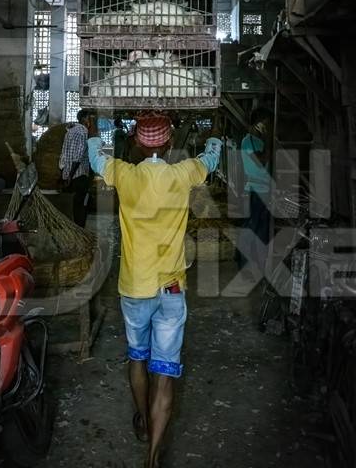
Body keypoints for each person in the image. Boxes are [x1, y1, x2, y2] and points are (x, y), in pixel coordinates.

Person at [87, 113, 221, 468]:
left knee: (137, 357)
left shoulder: (124, 174)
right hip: (172, 288)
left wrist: (89, 134)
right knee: (165, 372)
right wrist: (216, 136)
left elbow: (94, 158)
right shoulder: (183, 173)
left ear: (137, 143)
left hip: (135, 287)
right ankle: (153, 457)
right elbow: (211, 158)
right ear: (167, 143)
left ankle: (143, 421)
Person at [237, 107, 273, 279]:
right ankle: (245, 266)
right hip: (255, 191)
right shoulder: (248, 141)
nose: (267, 127)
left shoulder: (255, 141)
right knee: (253, 229)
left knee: (261, 230)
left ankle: (256, 266)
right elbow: (262, 160)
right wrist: (268, 140)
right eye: (265, 123)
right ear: (257, 124)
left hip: (264, 190)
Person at [59, 109, 92, 228]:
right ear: (84, 119)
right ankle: (80, 229)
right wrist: (71, 175)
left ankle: (75, 228)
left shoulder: (70, 131)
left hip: (69, 174)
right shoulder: (83, 131)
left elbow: (63, 155)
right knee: (81, 204)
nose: (90, 121)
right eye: (89, 118)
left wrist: (65, 175)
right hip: (79, 174)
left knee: (75, 204)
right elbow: (78, 157)